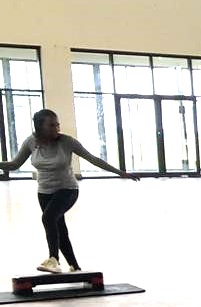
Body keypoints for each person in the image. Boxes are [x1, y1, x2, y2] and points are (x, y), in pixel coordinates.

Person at [0, 108, 137, 273]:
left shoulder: (67, 141)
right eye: (51, 125)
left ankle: (53, 260)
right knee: (59, 229)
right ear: (39, 127)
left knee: (48, 218)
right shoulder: (31, 142)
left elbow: (92, 158)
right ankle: (75, 267)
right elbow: (14, 165)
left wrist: (119, 172)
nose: (57, 128)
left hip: (67, 189)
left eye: (57, 125)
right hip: (44, 192)